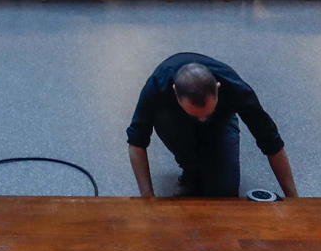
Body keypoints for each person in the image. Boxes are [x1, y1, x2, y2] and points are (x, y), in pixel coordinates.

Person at [127, 53, 297, 199]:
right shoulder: (157, 85)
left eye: (207, 113)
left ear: (218, 88)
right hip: (175, 122)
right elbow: (136, 142)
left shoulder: (236, 88)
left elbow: (272, 143)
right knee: (163, 117)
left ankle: (207, 163)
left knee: (224, 193)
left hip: (220, 123)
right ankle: (191, 170)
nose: (202, 120)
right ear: (175, 92)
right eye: (196, 114)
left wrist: (294, 200)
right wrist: (148, 198)